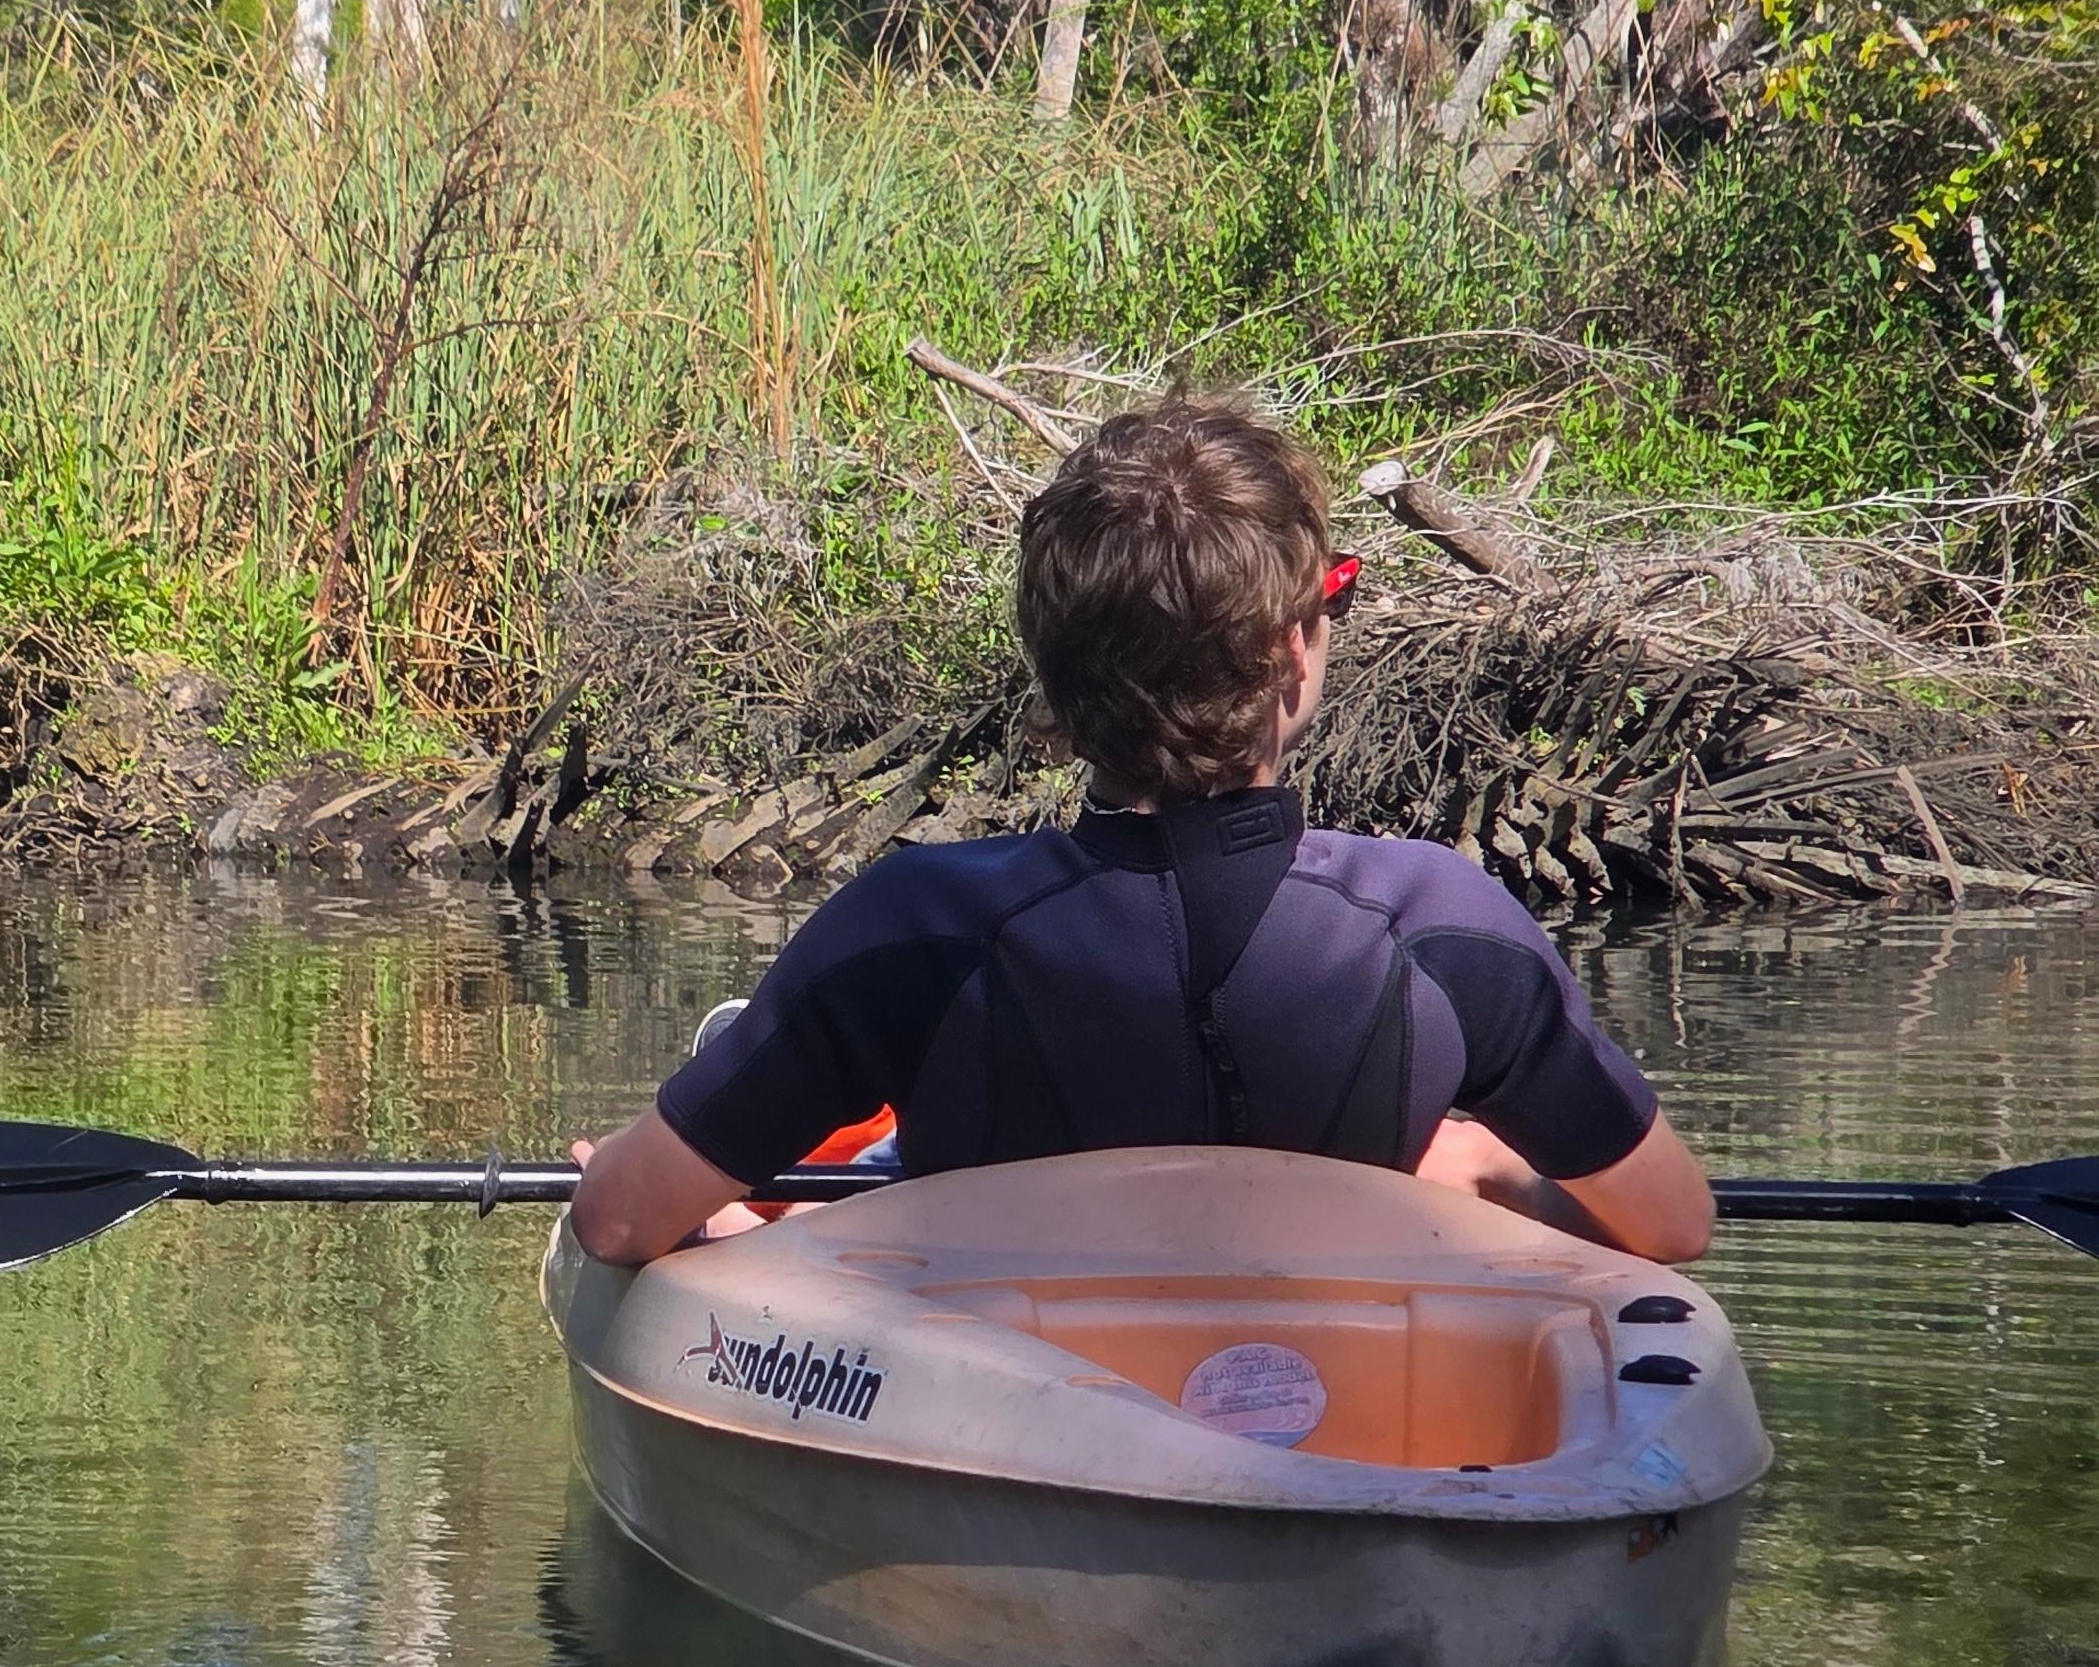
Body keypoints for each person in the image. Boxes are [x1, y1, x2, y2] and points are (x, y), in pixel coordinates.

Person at [569, 400, 1716, 1267]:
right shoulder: (1444, 930)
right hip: (1349, 1397)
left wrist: (733, 1234)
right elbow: (1667, 1223)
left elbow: (618, 1217)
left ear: (1052, 682)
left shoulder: (909, 932)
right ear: (1292, 654)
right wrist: (1484, 1169)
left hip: (981, 1393)